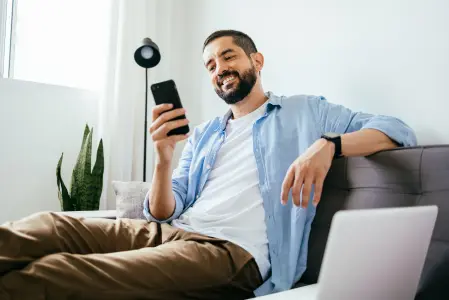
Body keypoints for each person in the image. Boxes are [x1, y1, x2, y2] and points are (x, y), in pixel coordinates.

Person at [0, 30, 417, 300]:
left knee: (57, 274)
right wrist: (164, 161)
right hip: (168, 232)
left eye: (228, 57)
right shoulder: (203, 134)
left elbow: (396, 129)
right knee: (49, 226)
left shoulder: (305, 111)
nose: (219, 70)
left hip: (231, 255)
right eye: (211, 66)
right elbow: (164, 209)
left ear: (257, 61)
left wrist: (327, 145)